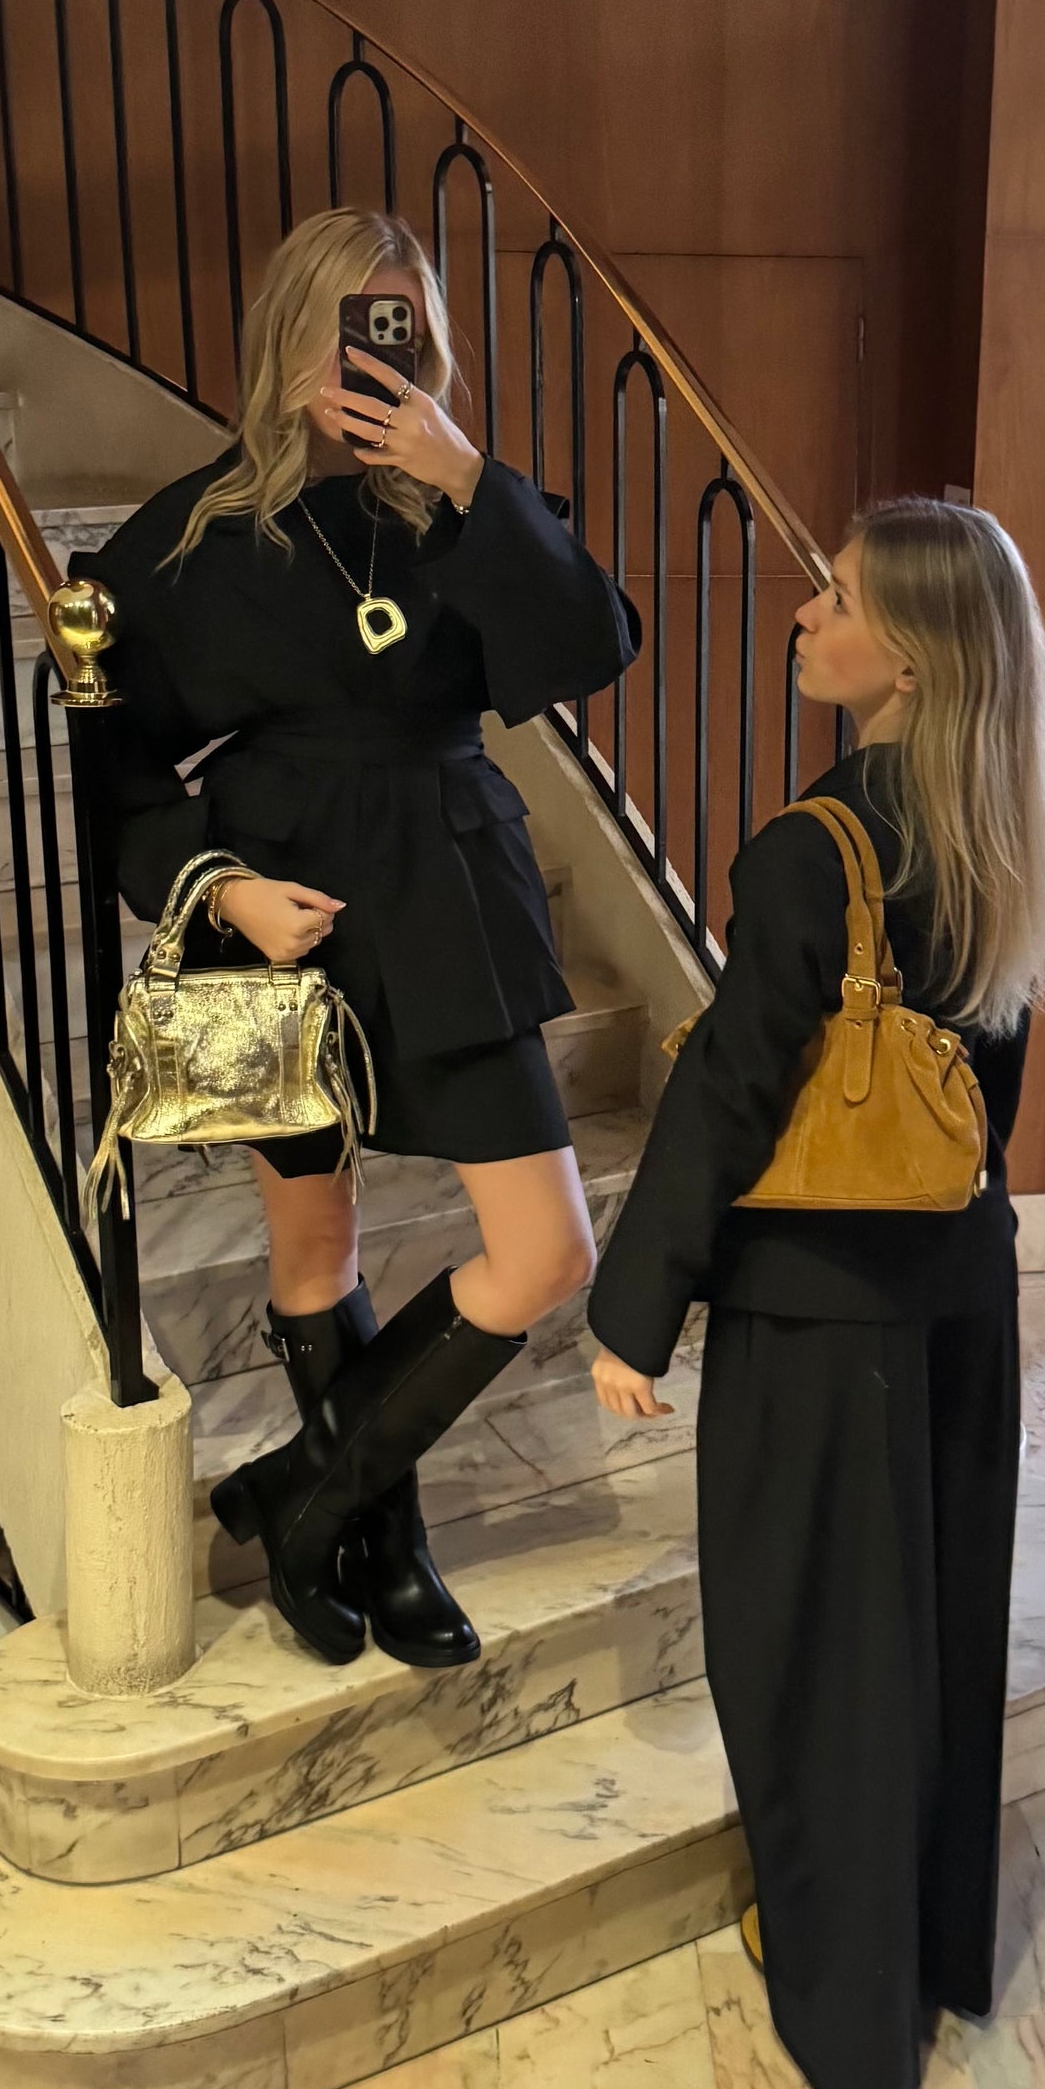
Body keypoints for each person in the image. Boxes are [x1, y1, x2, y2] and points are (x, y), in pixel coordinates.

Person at [77, 209, 637, 1670]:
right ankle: (387, 1545)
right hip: (275, 912)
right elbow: (112, 771)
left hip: (449, 892)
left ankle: (306, 1497)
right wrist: (216, 887)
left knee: (543, 1250)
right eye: (346, 326)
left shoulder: (465, 509)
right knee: (313, 1244)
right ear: (287, 336)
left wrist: (464, 476)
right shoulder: (191, 538)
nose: (372, 356)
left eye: (401, 328)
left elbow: (593, 646)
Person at [586, 499, 1045, 2089]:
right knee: (934, 1639)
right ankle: (928, 1955)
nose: (806, 614)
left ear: (914, 656)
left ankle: (851, 2027)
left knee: (812, 1658)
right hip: (961, 1299)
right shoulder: (1009, 829)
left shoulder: (818, 847)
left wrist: (633, 1308)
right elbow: (982, 1102)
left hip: (816, 1320)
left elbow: (734, 1087)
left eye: (844, 598)